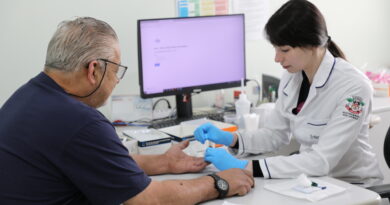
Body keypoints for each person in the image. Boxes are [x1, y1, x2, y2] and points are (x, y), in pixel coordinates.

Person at [0, 17, 254, 204]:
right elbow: (148, 200)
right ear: (93, 70)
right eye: (116, 70)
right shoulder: (80, 121)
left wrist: (164, 162)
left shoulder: (27, 97)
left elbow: (97, 162)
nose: (117, 80)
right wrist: (219, 183)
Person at [194, 0, 383, 187]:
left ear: (312, 44)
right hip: (313, 181)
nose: (277, 58)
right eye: (276, 49)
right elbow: (275, 135)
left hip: (353, 186)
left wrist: (245, 166)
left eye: (284, 50)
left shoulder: (354, 87)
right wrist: (232, 139)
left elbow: (321, 161)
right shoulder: (291, 78)